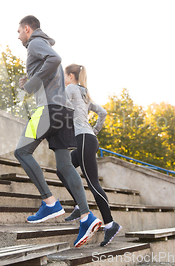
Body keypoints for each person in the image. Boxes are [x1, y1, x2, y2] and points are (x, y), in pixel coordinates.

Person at [14, 16, 102, 248]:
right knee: (64, 165)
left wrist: (32, 84)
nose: (18, 36)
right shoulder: (40, 45)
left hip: (48, 110)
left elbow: (55, 59)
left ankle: (50, 202)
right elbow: (49, 69)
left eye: (19, 31)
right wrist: (30, 80)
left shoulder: (34, 42)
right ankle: (86, 216)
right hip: (63, 112)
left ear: (27, 28)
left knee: (22, 152)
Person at [56, 64, 122, 247]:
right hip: (87, 139)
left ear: (70, 76)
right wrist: (95, 131)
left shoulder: (70, 88)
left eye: (64, 75)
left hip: (84, 139)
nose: (63, 78)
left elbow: (59, 106)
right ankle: (79, 206)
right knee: (62, 169)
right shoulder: (84, 94)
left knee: (93, 183)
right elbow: (103, 112)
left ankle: (110, 224)